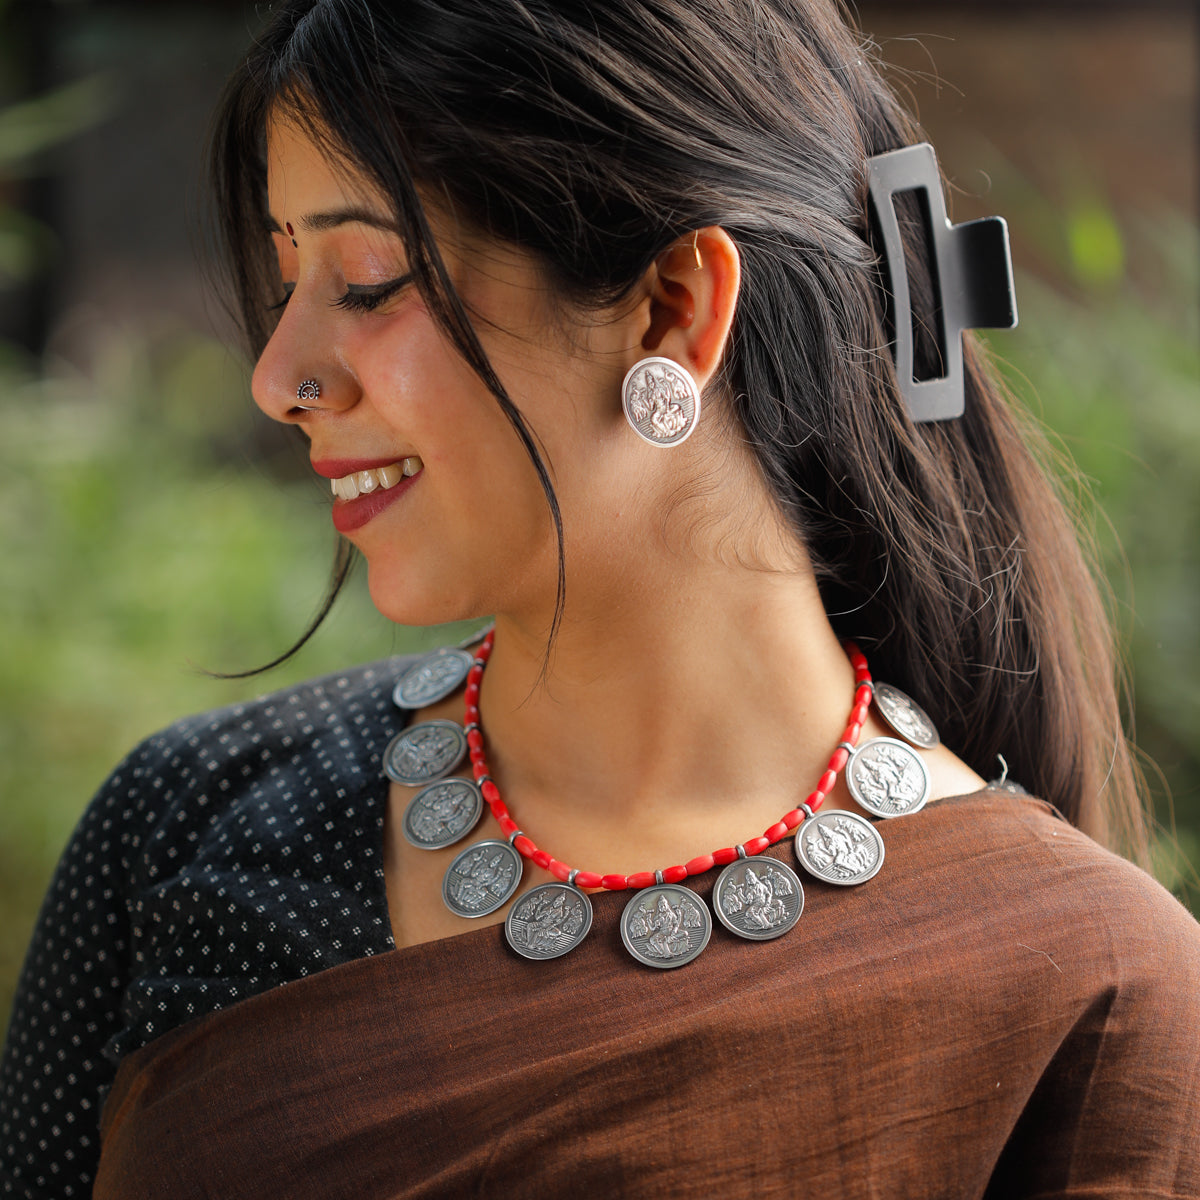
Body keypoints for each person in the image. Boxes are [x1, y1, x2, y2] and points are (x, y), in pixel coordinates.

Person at [3, 0, 1199, 1196]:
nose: (279, 378)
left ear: (674, 309)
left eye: (367, 279)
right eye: (287, 277)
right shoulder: (188, 826)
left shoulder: (1085, 992)